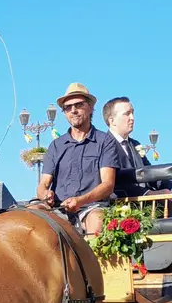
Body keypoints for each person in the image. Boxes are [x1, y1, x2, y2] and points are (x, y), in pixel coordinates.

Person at [38, 82, 120, 235]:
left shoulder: (105, 141)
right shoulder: (56, 145)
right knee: (28, 216)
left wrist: (80, 201)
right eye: (68, 107)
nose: (73, 110)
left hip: (91, 207)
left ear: (90, 108)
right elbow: (43, 184)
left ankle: (94, 251)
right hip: (58, 209)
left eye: (79, 105)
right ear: (64, 113)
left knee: (97, 221)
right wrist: (45, 194)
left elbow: (108, 185)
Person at [102, 96, 165, 195]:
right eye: (127, 114)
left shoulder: (135, 144)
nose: (132, 118)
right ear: (112, 120)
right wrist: (148, 193)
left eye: (132, 113)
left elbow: (151, 173)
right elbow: (115, 182)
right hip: (122, 202)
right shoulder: (103, 145)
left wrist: (168, 185)